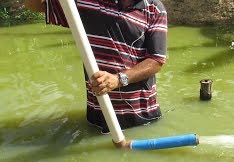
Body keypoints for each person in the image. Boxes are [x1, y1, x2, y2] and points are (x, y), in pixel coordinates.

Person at [24, 0, 167, 134]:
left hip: (143, 116)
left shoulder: (154, 8)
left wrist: (119, 79)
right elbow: (37, 5)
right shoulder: (86, 2)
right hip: (98, 113)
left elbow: (156, 60)